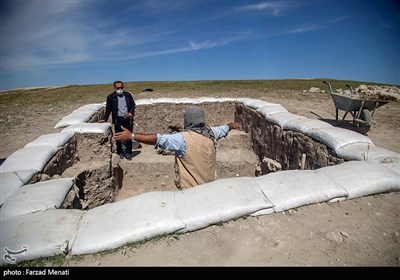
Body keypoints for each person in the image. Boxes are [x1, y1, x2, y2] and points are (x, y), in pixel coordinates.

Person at [114, 106, 241, 189]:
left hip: (190, 189)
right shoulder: (212, 132)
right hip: (210, 185)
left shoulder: (182, 139)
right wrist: (231, 125)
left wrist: (132, 135)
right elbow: (223, 129)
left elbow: (157, 139)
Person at [100, 81, 136, 160]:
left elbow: (133, 104)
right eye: (118, 88)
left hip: (127, 118)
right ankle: (120, 152)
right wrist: (104, 119)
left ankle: (128, 152)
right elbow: (108, 109)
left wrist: (130, 112)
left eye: (121, 87)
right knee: (118, 136)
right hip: (118, 119)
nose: (120, 89)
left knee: (129, 135)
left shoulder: (127, 95)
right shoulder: (111, 97)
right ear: (114, 88)